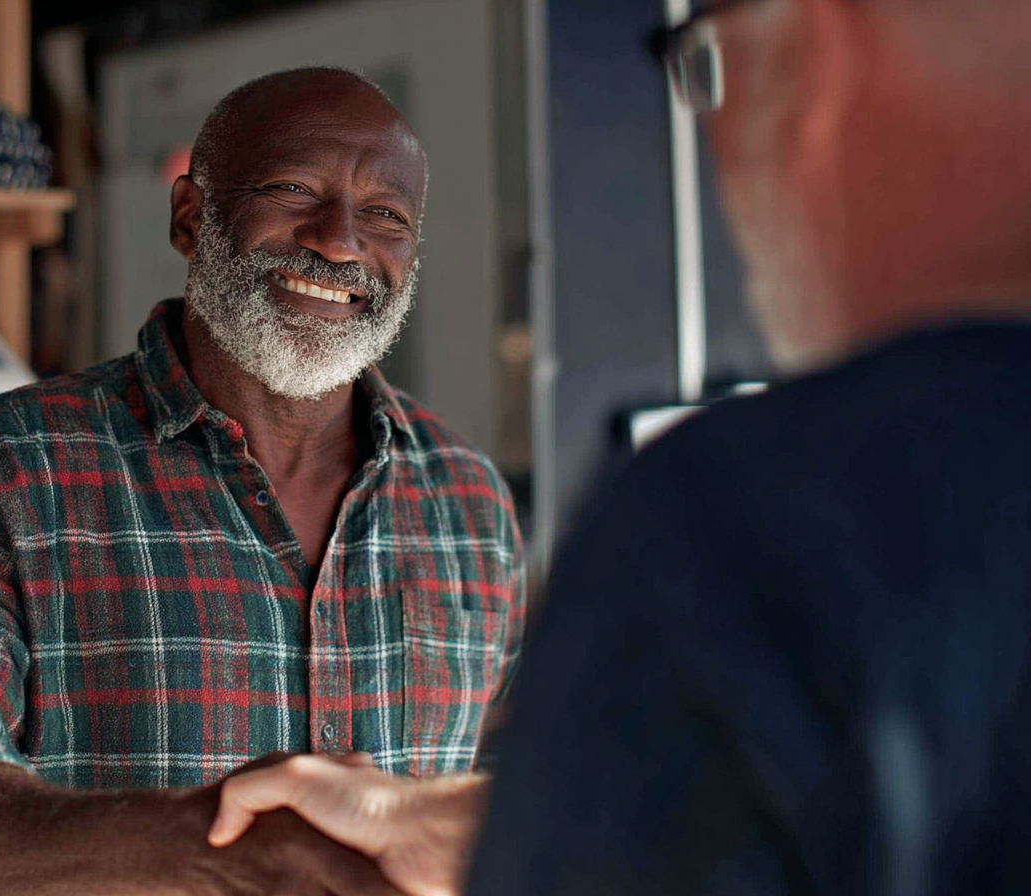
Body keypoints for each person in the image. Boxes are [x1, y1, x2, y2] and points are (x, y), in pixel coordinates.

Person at [207, 0, 1031, 893]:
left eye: (707, 63)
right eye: (291, 190)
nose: (340, 240)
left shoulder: (748, 526)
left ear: (812, 55)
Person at [0, 67, 525, 896]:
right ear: (191, 217)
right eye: (294, 189)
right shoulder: (14, 465)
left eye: (385, 216)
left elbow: (516, 782)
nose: (339, 242)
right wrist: (198, 849)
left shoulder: (467, 499)